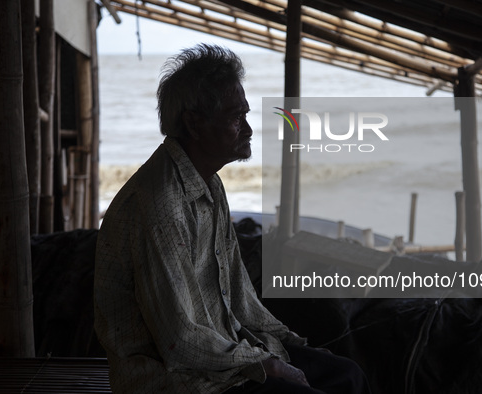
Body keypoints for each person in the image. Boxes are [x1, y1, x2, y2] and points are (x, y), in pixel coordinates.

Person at [94, 44, 369, 394]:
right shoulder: (159, 207)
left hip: (221, 360)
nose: (250, 130)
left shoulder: (209, 183)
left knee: (346, 374)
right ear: (194, 122)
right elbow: (181, 341)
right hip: (173, 379)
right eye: (236, 118)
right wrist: (266, 363)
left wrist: (287, 344)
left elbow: (238, 297)